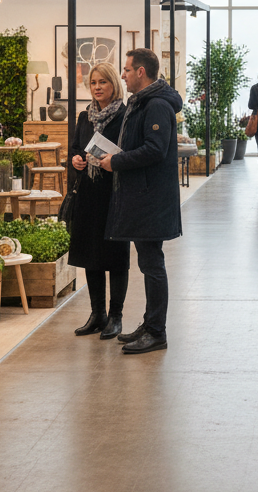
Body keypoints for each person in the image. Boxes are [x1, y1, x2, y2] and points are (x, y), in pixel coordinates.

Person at [99, 48, 183, 355]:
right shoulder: (144, 103)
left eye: (126, 69)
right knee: (148, 263)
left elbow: (154, 150)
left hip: (152, 199)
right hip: (143, 196)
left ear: (141, 73)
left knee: (152, 264)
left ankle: (157, 331)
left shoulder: (157, 105)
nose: (122, 74)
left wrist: (116, 162)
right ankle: (150, 324)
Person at [68, 63, 131, 340]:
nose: (97, 87)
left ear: (114, 84)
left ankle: (115, 317)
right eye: (93, 82)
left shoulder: (126, 116)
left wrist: (113, 162)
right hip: (88, 194)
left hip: (115, 194)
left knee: (116, 257)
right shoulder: (85, 117)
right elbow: (74, 148)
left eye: (103, 82)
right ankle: (97, 314)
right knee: (90, 256)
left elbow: (131, 153)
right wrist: (75, 160)